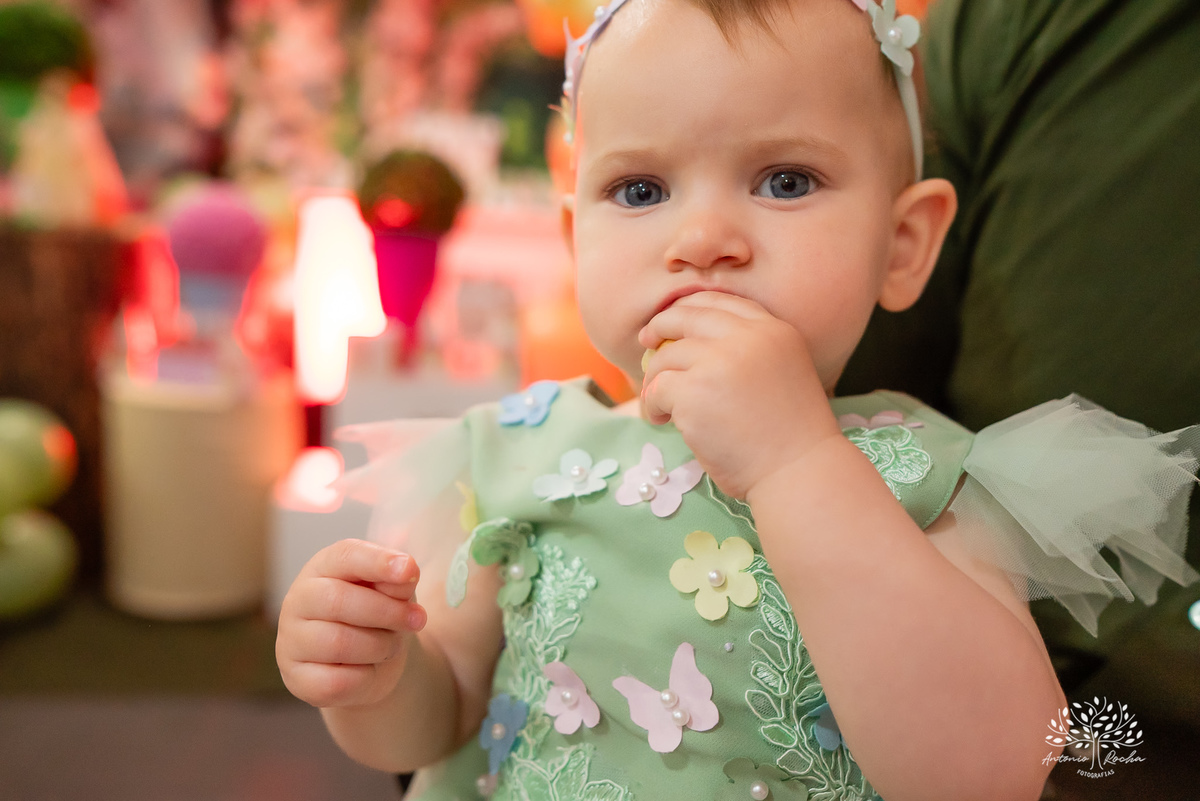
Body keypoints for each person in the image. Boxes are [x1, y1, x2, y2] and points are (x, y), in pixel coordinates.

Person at [275, 1, 1198, 799]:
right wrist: (380, 677)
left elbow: (993, 769)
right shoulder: (513, 454)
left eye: (785, 181)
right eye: (640, 189)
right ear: (574, 236)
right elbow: (443, 718)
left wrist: (795, 459)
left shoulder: (924, 473)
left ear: (903, 244)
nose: (704, 236)